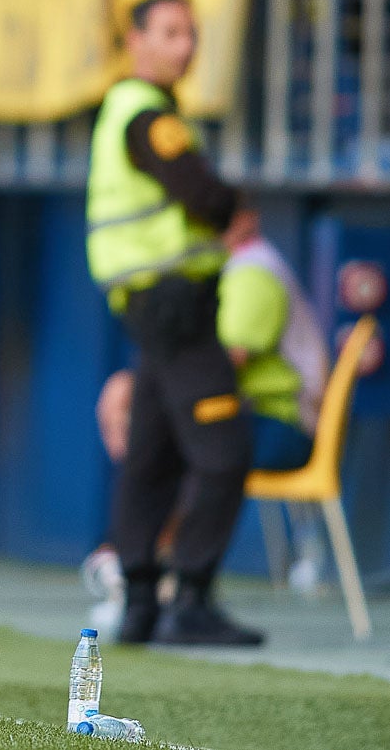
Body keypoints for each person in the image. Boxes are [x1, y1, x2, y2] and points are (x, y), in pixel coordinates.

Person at [86, 0, 266, 647]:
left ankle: (138, 601)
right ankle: (188, 595)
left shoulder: (126, 110)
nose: (182, 46)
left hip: (147, 301)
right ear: (135, 41)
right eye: (167, 32)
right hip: (172, 301)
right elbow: (197, 187)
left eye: (189, 33)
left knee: (151, 453)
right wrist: (233, 210)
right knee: (224, 448)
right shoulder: (144, 112)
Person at [85, 216, 330, 622]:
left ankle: (148, 578)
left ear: (241, 221)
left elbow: (216, 367)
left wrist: (132, 388)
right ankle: (139, 574)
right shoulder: (232, 271)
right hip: (258, 415)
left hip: (285, 426)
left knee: (179, 445)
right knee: (171, 434)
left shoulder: (254, 272)